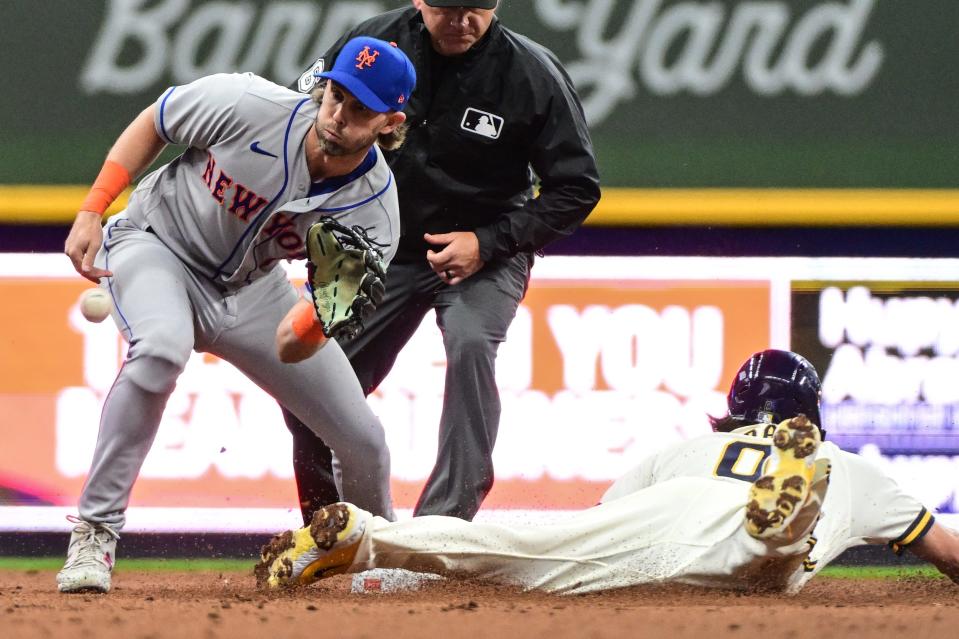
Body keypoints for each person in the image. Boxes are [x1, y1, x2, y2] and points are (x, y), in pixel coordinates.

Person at [56, 36, 417, 594]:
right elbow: (157, 120)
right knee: (159, 350)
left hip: (253, 290)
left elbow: (297, 338)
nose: (340, 115)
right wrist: (91, 208)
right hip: (157, 245)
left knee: (362, 438)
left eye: (361, 109)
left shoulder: (374, 209)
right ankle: (95, 533)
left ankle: (376, 558)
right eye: (336, 95)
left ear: (390, 122)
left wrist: (312, 323)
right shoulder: (249, 104)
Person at [255, 350, 959, 594]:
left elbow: (597, 522)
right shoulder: (851, 466)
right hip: (756, 531)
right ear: (804, 415)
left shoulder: (683, 446)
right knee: (768, 560)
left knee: (522, 546)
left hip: (671, 510)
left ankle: (367, 551)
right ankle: (785, 519)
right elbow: (947, 551)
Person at [282, 0, 601, 524]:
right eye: (446, 7)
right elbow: (298, 116)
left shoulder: (531, 72)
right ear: (419, 1)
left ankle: (441, 530)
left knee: (473, 342)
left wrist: (489, 241)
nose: (461, 21)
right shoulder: (371, 46)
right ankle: (328, 527)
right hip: (377, 244)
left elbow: (577, 187)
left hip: (487, 246)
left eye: (476, 7)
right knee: (308, 378)